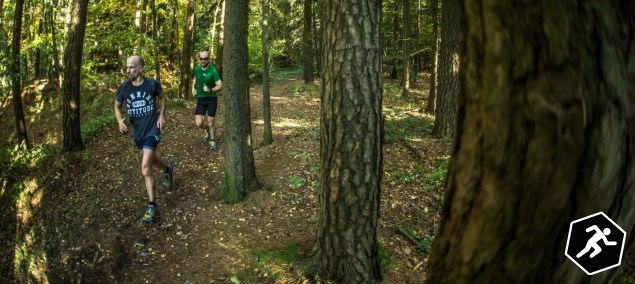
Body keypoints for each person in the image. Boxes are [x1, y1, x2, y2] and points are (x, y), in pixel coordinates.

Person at [114, 55, 173, 225]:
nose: (128, 70)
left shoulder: (152, 84)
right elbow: (117, 106)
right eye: (127, 67)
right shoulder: (124, 88)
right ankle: (166, 169)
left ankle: (152, 205)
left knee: (145, 167)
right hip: (136, 133)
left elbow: (163, 98)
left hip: (152, 129)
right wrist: (119, 120)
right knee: (151, 159)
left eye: (131, 67)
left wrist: (161, 116)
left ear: (140, 68)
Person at [192, 50, 223, 150]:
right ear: (199, 59)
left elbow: (220, 85)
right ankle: (207, 130)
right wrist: (193, 87)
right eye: (201, 59)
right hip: (201, 99)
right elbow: (195, 78)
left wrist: (210, 90)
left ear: (209, 59)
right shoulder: (197, 69)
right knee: (199, 123)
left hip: (211, 99)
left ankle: (213, 141)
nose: (203, 60)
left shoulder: (213, 70)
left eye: (206, 59)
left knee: (211, 121)